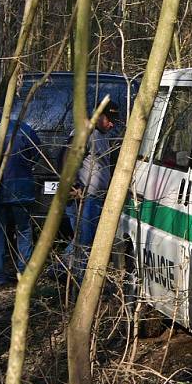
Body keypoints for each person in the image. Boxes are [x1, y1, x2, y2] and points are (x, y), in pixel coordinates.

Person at [0, 108, 41, 286]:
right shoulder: (23, 128)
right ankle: (24, 272)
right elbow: (36, 154)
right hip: (22, 187)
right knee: (24, 230)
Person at [66, 101, 119, 280]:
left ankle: (61, 270)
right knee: (84, 239)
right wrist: (74, 185)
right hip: (85, 197)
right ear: (99, 115)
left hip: (96, 197)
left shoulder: (101, 135)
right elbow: (67, 161)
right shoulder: (84, 133)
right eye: (109, 119)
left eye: (114, 120)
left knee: (85, 238)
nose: (112, 124)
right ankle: (77, 278)